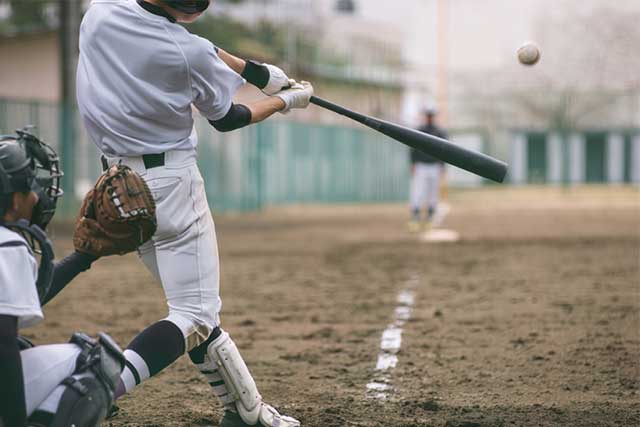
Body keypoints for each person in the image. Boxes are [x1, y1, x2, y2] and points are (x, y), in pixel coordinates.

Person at [73, 1, 313, 426]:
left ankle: (247, 412)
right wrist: (286, 101)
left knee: (195, 310)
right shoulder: (189, 52)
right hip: (172, 184)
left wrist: (256, 72)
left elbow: (186, 40)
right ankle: (101, 387)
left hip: (118, 183)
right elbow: (228, 117)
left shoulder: (101, 11)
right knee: (194, 316)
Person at [0, 129, 125, 427]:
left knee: (21, 346)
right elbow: (2, 341)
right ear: (15, 201)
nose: (37, 195)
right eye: (30, 187)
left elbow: (22, 296)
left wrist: (82, 258)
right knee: (94, 360)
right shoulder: (8, 244)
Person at [408, 106, 448, 232]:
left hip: (434, 165)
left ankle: (430, 218)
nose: (430, 118)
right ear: (426, 116)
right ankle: (415, 217)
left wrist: (442, 165)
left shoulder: (440, 132)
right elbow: (412, 147)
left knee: (433, 193)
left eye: (431, 115)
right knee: (418, 192)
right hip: (421, 165)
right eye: (428, 115)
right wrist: (413, 163)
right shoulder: (420, 130)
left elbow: (445, 150)